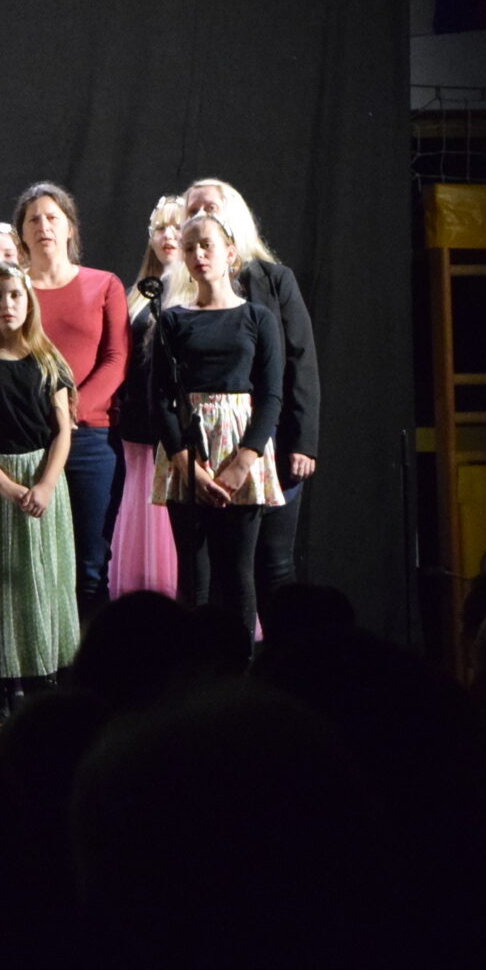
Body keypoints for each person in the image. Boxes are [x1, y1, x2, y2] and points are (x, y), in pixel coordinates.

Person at [0, 262, 82, 721]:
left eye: (15, 296)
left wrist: (43, 484)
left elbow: (62, 432)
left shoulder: (48, 362)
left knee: (39, 580)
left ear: (29, 302)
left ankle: (42, 684)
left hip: (42, 483)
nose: (6, 304)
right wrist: (6, 485)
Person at [151, 211, 287, 648]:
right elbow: (159, 398)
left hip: (239, 448)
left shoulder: (258, 318)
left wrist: (242, 462)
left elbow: (271, 394)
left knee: (237, 574)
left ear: (230, 253)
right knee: (194, 575)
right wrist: (187, 464)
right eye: (189, 247)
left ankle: (240, 667)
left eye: (206, 244)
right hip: (189, 451)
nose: (198, 254)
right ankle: (194, 668)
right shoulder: (172, 320)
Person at [183, 177, 319, 599]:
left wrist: (303, 442)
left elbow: (300, 362)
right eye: (191, 211)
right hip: (205, 446)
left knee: (273, 564)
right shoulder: (181, 293)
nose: (199, 216)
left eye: (209, 208)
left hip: (270, 440)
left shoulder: (274, 280)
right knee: (215, 569)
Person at [13, 183, 128, 622]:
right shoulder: (12, 289)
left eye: (52, 217)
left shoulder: (104, 284)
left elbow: (116, 360)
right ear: (21, 233)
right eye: (33, 219)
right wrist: (37, 418)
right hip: (27, 439)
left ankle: (92, 658)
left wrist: (70, 413)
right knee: (32, 565)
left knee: (90, 565)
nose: (43, 226)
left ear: (69, 228)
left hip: (89, 440)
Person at [109, 197, 187, 598]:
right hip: (138, 430)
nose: (168, 236)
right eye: (160, 228)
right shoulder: (135, 297)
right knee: (140, 519)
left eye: (177, 227)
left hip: (181, 434)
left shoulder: (200, 293)